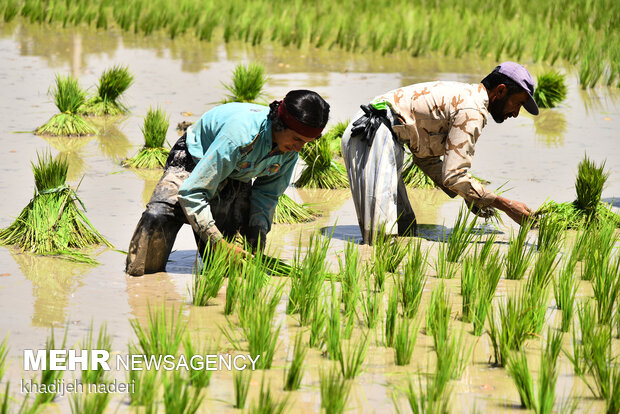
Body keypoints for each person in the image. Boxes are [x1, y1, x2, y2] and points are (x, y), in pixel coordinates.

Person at [126, 90, 330, 276]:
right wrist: (216, 241)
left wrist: (258, 235)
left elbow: (267, 195)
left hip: (237, 173)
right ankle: (140, 279)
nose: (299, 148)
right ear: (280, 124)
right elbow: (191, 192)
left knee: (230, 263)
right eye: (297, 139)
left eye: (305, 142)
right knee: (160, 215)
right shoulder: (241, 136)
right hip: (196, 157)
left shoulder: (288, 151)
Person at [341, 61, 538, 244]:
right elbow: (454, 175)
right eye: (517, 103)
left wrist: (471, 196)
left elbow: (426, 159)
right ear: (501, 91)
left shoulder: (466, 98)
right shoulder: (472, 109)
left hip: (383, 137)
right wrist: (506, 205)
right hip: (371, 133)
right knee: (381, 238)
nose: (515, 113)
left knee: (405, 227)